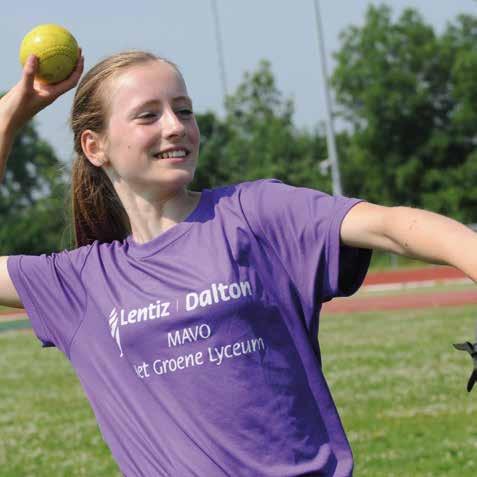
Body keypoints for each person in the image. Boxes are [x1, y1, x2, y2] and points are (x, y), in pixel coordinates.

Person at [0, 48, 476, 477]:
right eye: (148, 115)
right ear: (94, 146)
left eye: (183, 110)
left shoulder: (254, 214)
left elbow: (393, 225)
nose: (175, 126)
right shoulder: (79, 283)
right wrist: (13, 112)